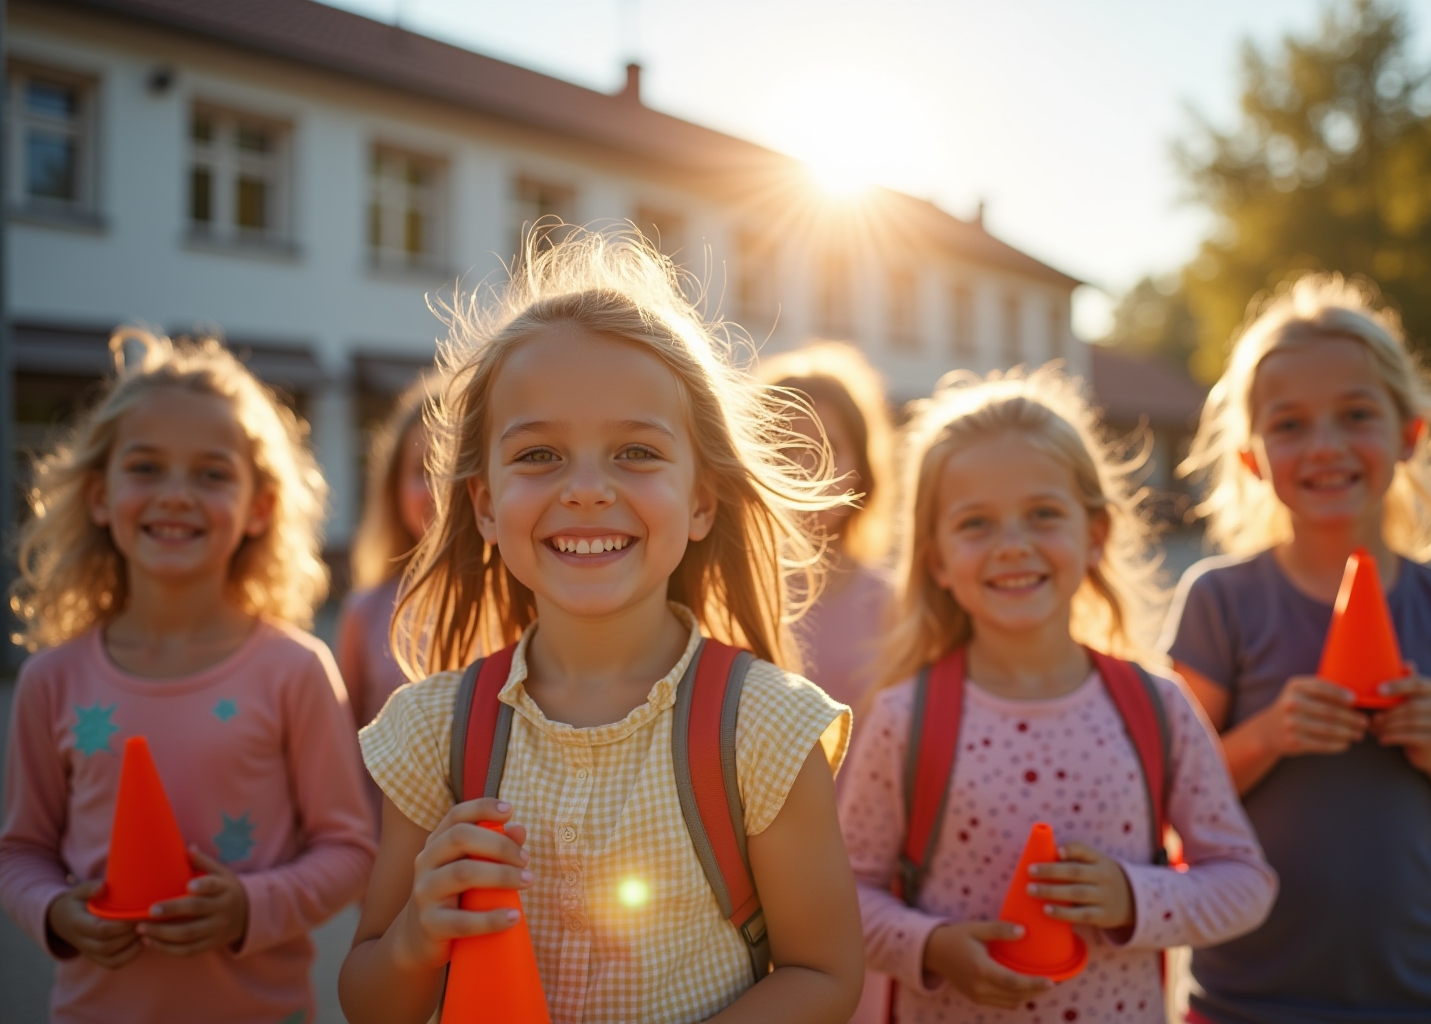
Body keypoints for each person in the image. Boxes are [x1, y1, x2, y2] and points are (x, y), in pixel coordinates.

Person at [338, 227, 864, 1024]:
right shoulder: (431, 731)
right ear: (484, 505)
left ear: (700, 500)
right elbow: (369, 999)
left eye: (636, 453)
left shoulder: (764, 728)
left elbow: (824, 976)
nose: (586, 490)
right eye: (540, 456)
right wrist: (417, 935)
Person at [839, 370, 1276, 1023]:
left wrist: (1135, 898)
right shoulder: (905, 718)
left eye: (1043, 514)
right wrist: (931, 946)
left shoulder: (1158, 706)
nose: (1013, 546)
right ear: (936, 560)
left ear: (1094, 534)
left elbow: (1245, 883)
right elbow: (846, 897)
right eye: (976, 523)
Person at [1163, 273, 1431, 1024]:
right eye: (1290, 424)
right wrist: (1270, 735)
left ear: (1408, 436)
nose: (1324, 445)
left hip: (1426, 1002)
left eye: (1355, 414)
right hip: (1244, 1003)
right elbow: (1161, 803)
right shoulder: (1219, 602)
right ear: (1251, 457)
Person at [0, 330, 376, 1024]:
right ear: (99, 496)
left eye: (211, 474)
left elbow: (349, 850)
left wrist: (249, 908)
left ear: (259, 507)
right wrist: (56, 912)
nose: (177, 495)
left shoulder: (294, 670)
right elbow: (19, 853)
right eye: (145, 468)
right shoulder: (51, 679)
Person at [759, 341, 895, 711]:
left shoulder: (892, 603)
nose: (809, 471)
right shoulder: (724, 594)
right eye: (787, 447)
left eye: (828, 448)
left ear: (861, 469)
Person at [336, 377, 437, 827]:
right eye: (423, 470)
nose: (442, 487)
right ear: (394, 489)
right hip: (393, 868)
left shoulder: (531, 605)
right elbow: (342, 753)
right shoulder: (366, 612)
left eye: (460, 466)